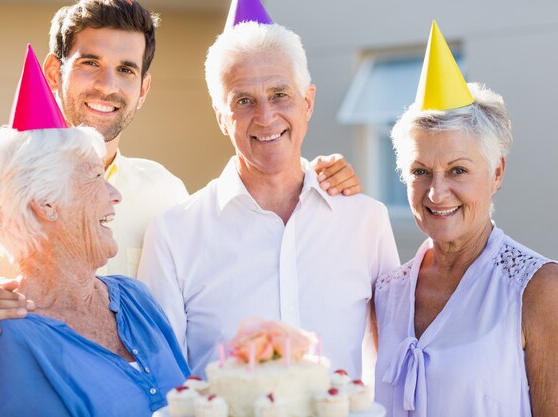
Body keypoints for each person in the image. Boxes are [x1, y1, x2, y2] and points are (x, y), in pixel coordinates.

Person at [0, 0, 361, 344]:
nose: (107, 85)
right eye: (89, 63)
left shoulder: (165, 193)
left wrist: (317, 177)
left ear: (143, 89)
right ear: (52, 72)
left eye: (126, 70)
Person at [137, 20, 400, 378]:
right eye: (244, 101)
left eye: (280, 95)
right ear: (221, 118)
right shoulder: (174, 234)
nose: (265, 117)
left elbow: (390, 360)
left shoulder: (366, 221)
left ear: (307, 102)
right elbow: (164, 380)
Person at [374, 22, 558, 417]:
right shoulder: (386, 291)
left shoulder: (540, 289)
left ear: (496, 173)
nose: (437, 193)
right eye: (420, 171)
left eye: (458, 170)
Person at [0, 125, 189, 417]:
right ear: (46, 204)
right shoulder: (8, 337)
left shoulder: (136, 298)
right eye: (96, 176)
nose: (116, 195)